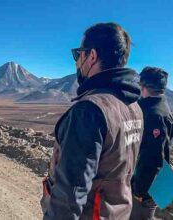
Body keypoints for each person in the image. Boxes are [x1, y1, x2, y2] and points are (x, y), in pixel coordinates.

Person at [43, 22, 144, 220]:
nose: (76, 62)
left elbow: (71, 192)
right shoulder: (134, 106)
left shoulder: (89, 110)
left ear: (92, 56)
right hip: (116, 212)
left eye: (78, 54)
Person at [130, 67, 173, 220]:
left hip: (147, 187)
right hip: (154, 182)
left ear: (143, 85)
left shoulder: (154, 114)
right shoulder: (161, 108)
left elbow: (152, 157)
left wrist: (140, 191)